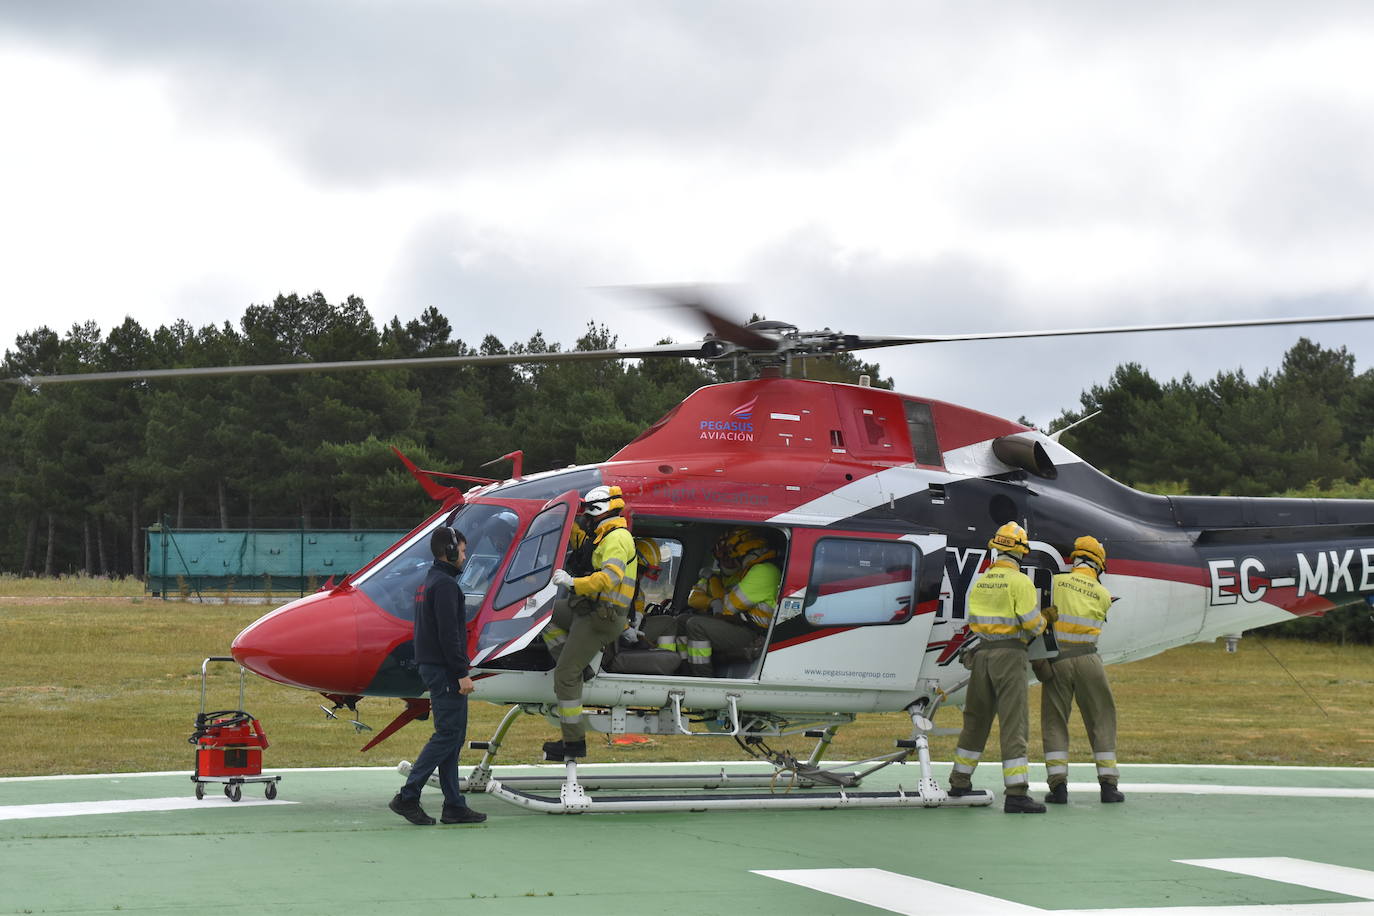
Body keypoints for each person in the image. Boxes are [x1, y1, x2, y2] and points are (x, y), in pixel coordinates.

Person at [389, 525, 487, 826]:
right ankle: (408, 796)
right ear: (450, 551)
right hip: (445, 669)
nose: (465, 556)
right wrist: (461, 673)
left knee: (453, 736)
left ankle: (454, 804)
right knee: (447, 734)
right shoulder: (445, 586)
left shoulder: (431, 581)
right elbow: (449, 635)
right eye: (463, 550)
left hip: (435, 666)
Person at [948, 521, 1049, 814]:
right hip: (1010, 654)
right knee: (1013, 722)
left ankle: (959, 780)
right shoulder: (1020, 582)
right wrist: (1045, 620)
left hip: (982, 656)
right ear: (1020, 552)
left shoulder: (982, 581)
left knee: (976, 719)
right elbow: (1031, 623)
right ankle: (1017, 793)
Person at [541, 485, 637, 761]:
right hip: (588, 609)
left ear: (600, 510)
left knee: (564, 675)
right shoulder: (602, 535)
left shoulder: (617, 538)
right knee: (541, 618)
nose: (586, 518)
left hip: (602, 617)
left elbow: (610, 577)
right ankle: (580, 669)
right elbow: (582, 543)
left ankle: (573, 742)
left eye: (587, 512)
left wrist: (573, 582)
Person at [1040, 535, 1124, 804]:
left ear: (1074, 559)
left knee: (1054, 721)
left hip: (1057, 660)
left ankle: (1058, 787)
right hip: (1089, 660)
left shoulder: (1055, 582)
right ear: (1099, 565)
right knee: (1102, 718)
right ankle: (1109, 787)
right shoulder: (1102, 594)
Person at [679, 527, 781, 676]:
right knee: (683, 620)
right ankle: (684, 670)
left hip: (754, 632)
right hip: (742, 625)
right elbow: (695, 600)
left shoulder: (763, 571)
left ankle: (702, 678)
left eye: (734, 556)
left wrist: (713, 582)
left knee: (696, 625)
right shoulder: (752, 570)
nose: (732, 561)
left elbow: (727, 608)